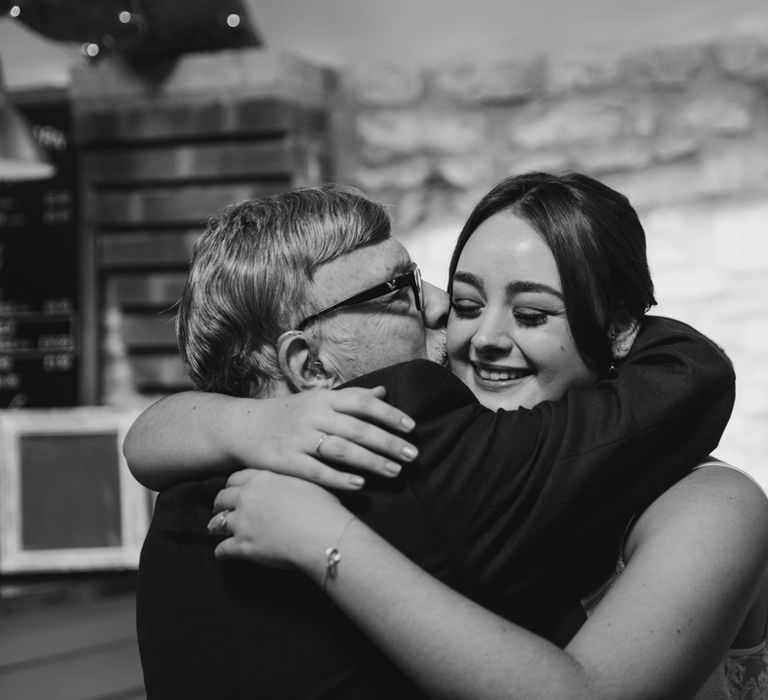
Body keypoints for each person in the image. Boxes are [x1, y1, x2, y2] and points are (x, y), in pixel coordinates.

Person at [131, 177, 741, 698]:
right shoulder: (413, 445)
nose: (443, 310)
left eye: (531, 314)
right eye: (399, 290)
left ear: (616, 331)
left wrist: (234, 425)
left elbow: (146, 439)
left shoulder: (181, 506)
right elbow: (692, 374)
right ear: (311, 369)